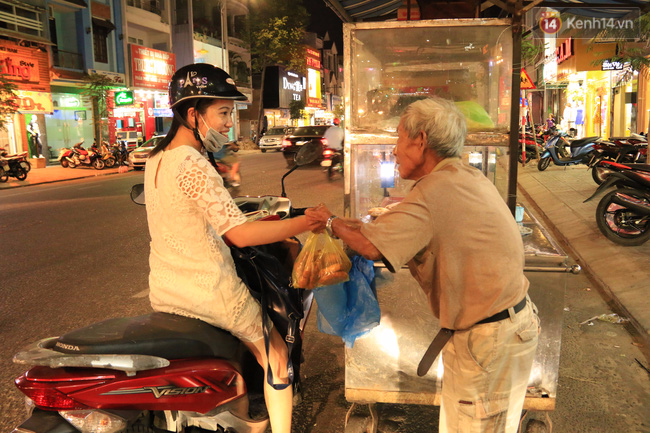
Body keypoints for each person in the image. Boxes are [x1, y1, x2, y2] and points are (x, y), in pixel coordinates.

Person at [306, 97, 540, 433]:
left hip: (491, 339)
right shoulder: (460, 176)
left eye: (400, 138)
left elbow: (372, 246)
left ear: (421, 141)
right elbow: (383, 231)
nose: (395, 150)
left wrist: (330, 222)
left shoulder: (436, 189)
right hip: (495, 333)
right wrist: (344, 224)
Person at [144, 63, 319, 433]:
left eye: (231, 113)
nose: (228, 122)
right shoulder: (193, 163)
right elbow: (238, 235)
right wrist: (308, 222)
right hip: (208, 291)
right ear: (193, 114)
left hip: (164, 288)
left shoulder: (156, 159)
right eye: (223, 112)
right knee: (277, 353)